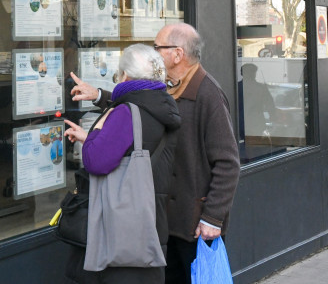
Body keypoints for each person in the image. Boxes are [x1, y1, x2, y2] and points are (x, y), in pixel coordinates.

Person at [71, 24, 240, 284]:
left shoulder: (208, 94)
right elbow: (145, 109)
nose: (154, 53)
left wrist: (212, 218)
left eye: (157, 47)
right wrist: (100, 96)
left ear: (177, 54)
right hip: (163, 220)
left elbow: (228, 163)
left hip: (194, 224)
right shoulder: (171, 87)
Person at [64, 44, 181, 284]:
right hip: (149, 218)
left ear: (125, 75)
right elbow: (136, 145)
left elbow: (95, 161)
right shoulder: (162, 104)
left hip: (121, 230)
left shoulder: (126, 111)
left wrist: (96, 131)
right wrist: (94, 137)